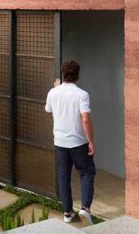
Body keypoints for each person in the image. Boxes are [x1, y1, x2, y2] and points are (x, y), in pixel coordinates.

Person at [45, 60, 96, 225]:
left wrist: (56, 89)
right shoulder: (82, 94)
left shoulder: (53, 92)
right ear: (77, 75)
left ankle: (67, 213)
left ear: (63, 74)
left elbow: (48, 110)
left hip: (60, 142)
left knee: (63, 176)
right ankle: (85, 209)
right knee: (87, 172)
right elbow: (86, 119)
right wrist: (91, 141)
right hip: (78, 143)